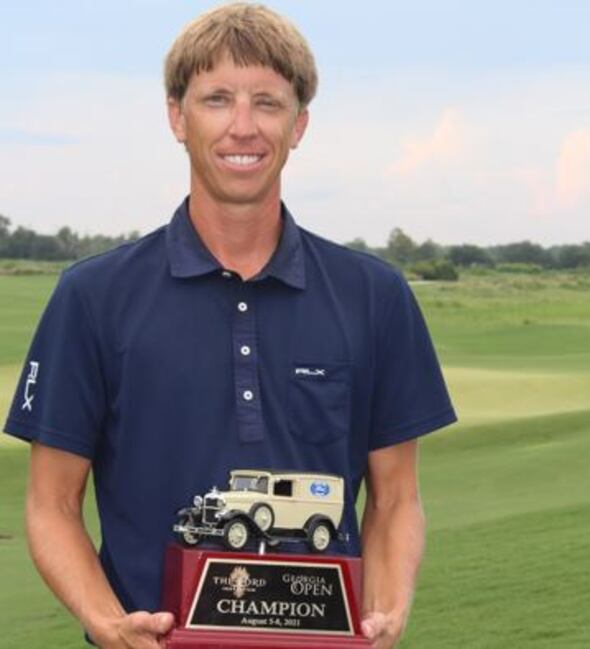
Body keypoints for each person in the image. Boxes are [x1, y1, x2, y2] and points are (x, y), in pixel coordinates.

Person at [4, 4, 456, 648]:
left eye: (267, 104)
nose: (243, 128)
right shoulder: (92, 295)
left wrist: (387, 610)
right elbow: (50, 506)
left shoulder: (375, 295)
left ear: (299, 124)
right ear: (176, 117)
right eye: (217, 99)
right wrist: (108, 624)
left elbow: (395, 500)